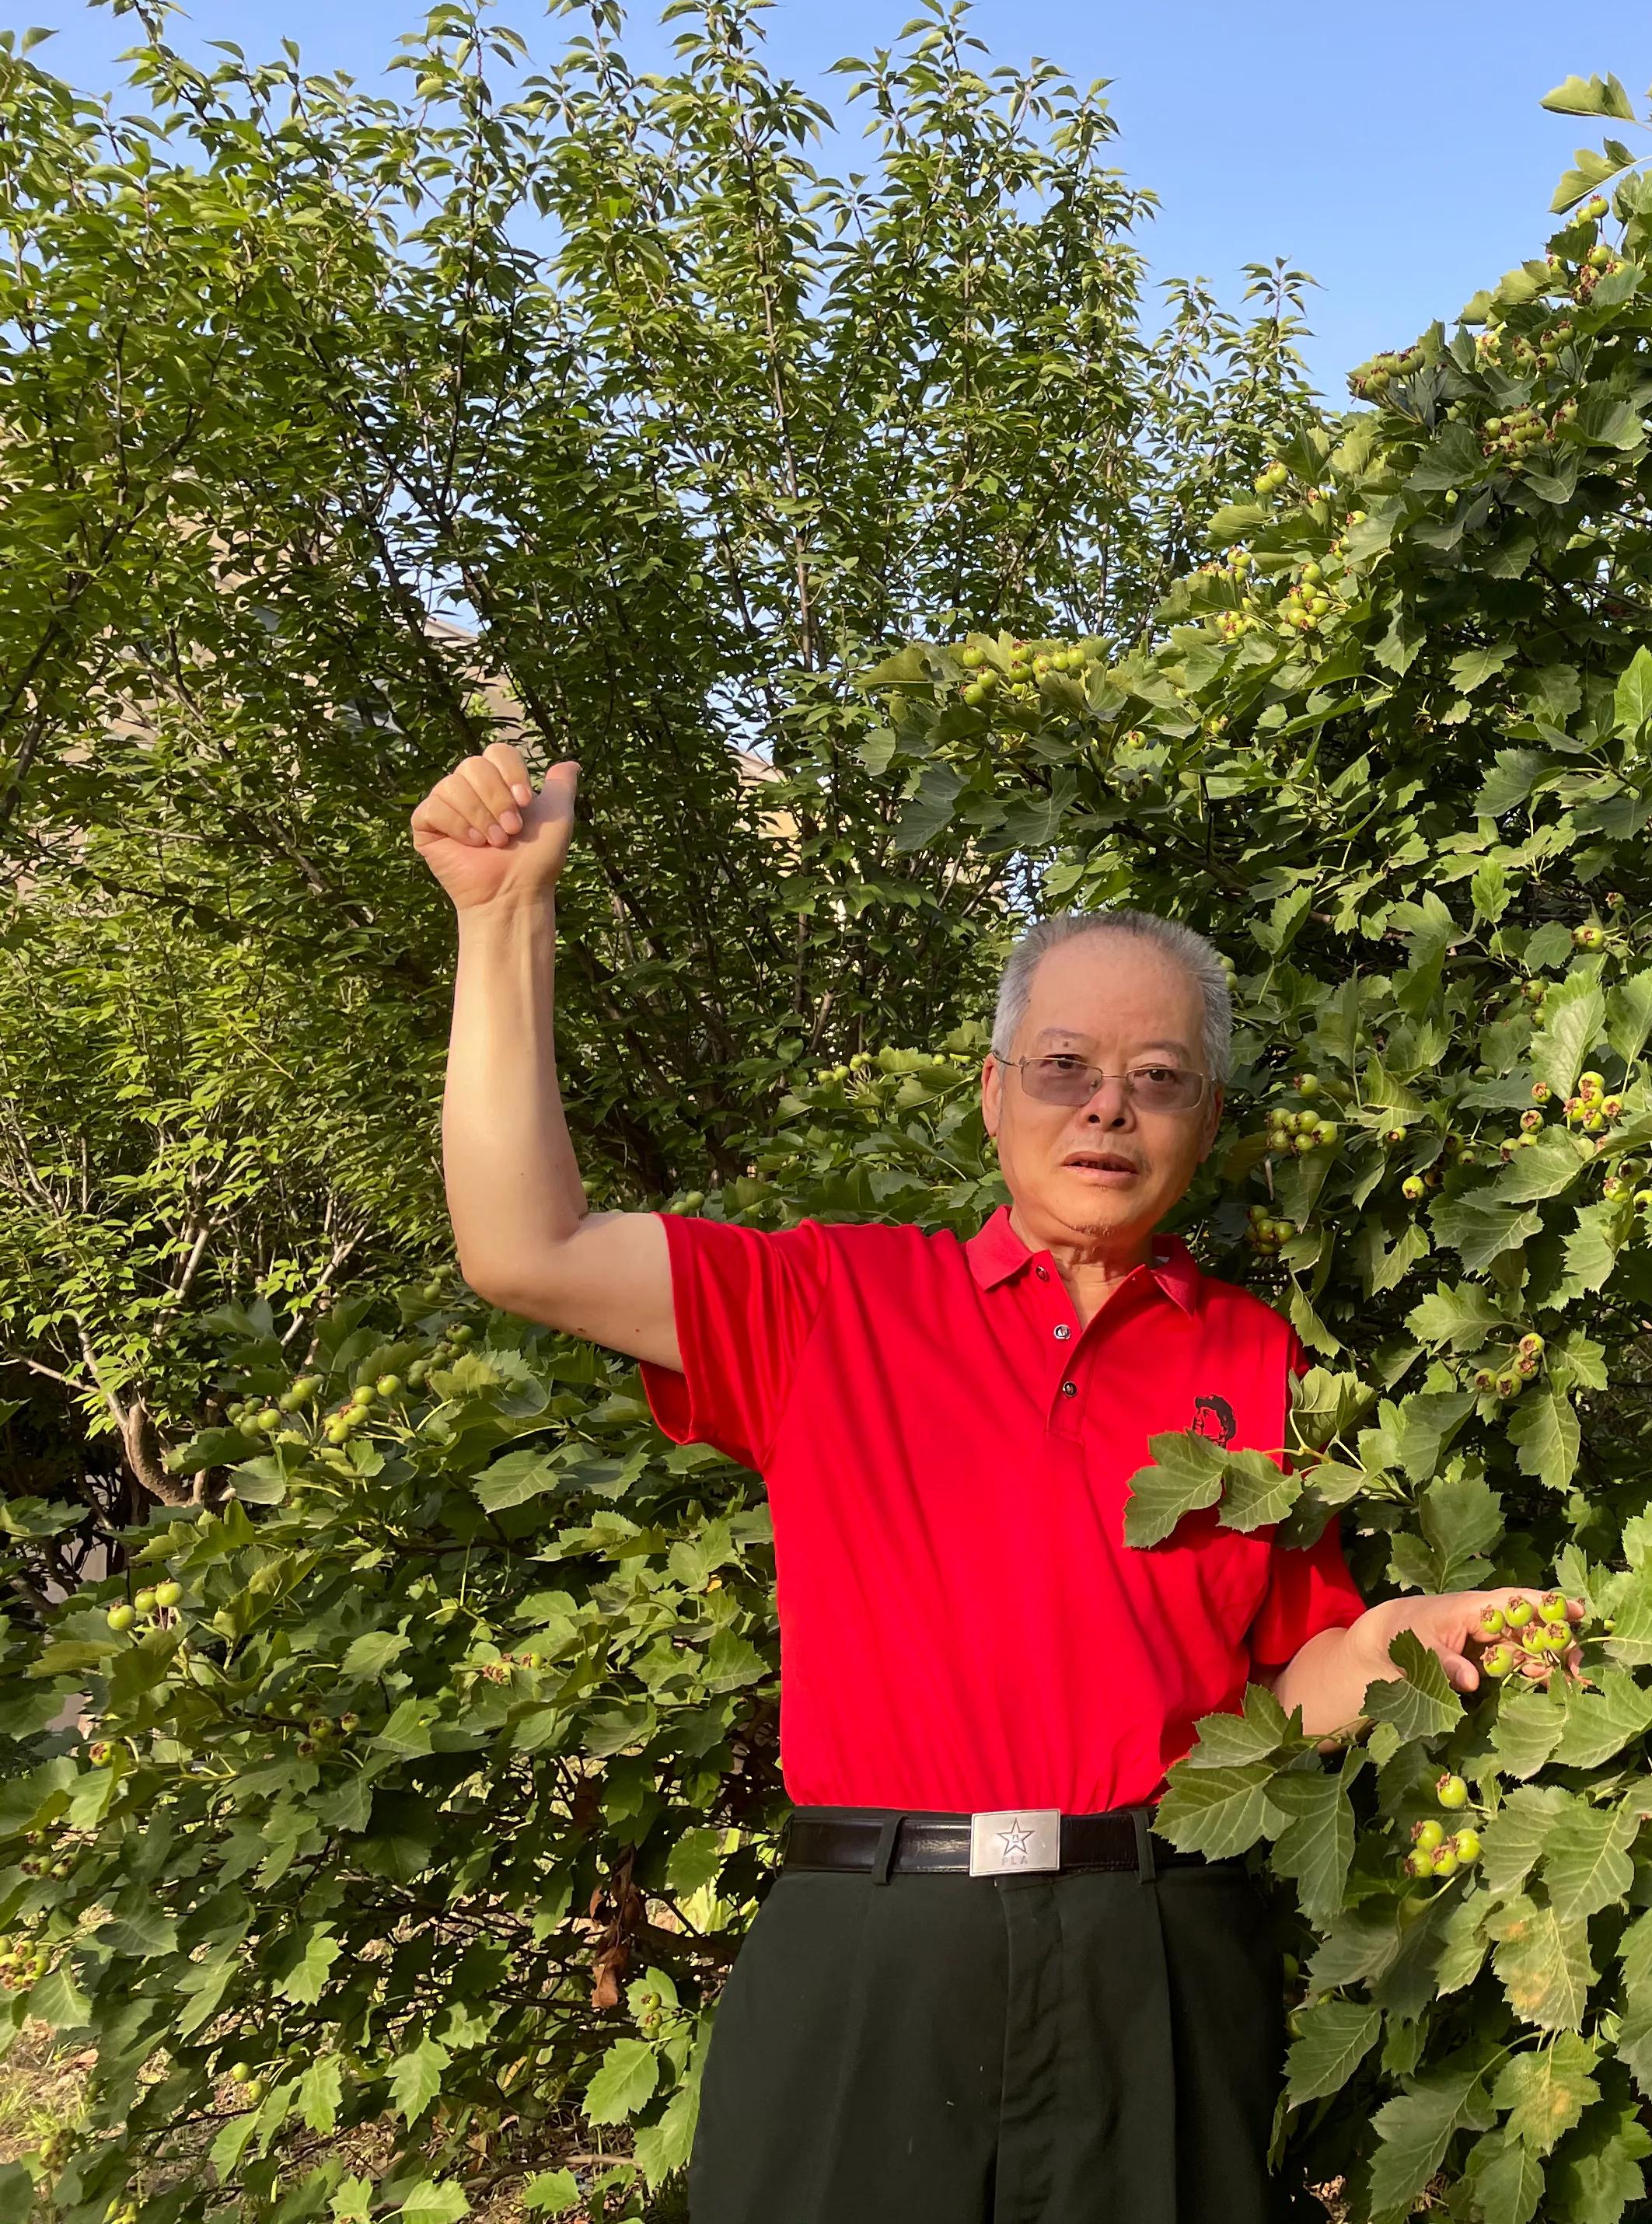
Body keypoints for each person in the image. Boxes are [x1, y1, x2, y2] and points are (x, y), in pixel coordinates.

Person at [412, 743, 1556, 2224]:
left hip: (1159, 1945)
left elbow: (1296, 1672)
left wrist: (1424, 1633)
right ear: (994, 1094)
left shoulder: (1256, 1358)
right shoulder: (835, 1302)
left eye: (1159, 1080)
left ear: (1204, 1123)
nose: (1107, 1110)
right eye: (1066, 1069)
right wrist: (504, 921)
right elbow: (527, 1249)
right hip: (869, 1951)